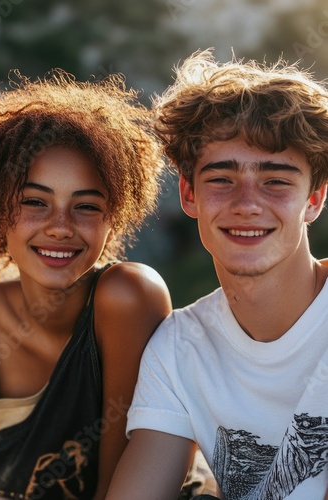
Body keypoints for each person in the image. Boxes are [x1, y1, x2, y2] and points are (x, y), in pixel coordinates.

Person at [106, 49, 328, 499]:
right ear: (189, 195)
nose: (247, 202)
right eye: (222, 178)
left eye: (277, 180)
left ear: (314, 199)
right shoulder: (178, 349)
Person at [0, 69, 172, 499]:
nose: (60, 227)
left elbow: (119, 485)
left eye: (86, 206)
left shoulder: (127, 298)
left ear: (115, 219)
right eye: (35, 202)